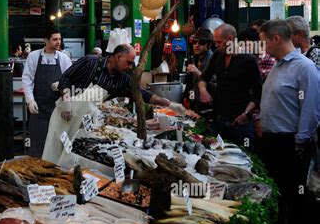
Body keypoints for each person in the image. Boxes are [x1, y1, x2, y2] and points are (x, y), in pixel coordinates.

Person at [259, 19, 319, 224]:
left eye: (264, 42)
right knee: (278, 199)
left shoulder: (304, 67)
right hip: (273, 142)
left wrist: (300, 141)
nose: (262, 49)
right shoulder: (278, 65)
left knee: (296, 202)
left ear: (276, 39)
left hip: (291, 144)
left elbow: (312, 109)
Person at [57, 43, 185, 121]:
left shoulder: (122, 80)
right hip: (65, 113)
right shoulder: (90, 62)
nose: (130, 67)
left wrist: (169, 104)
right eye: (129, 63)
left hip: (87, 121)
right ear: (118, 57)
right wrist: (66, 101)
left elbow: (144, 94)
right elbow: (65, 78)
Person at [199, 24, 262, 149]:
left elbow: (258, 92)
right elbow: (203, 77)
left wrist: (246, 114)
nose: (216, 45)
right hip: (219, 119)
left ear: (230, 38)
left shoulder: (248, 60)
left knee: (245, 157)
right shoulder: (217, 55)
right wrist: (203, 90)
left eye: (219, 42)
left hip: (240, 122)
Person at [22, 27, 72, 157]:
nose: (58, 42)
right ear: (45, 40)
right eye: (55, 39)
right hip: (38, 108)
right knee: (38, 142)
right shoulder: (34, 56)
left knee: (57, 142)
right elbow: (27, 79)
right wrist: (30, 100)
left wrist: (67, 103)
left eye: (59, 39)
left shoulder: (64, 58)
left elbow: (69, 82)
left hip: (57, 107)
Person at [184, 27, 214, 119]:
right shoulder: (194, 59)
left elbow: (216, 85)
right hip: (196, 107)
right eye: (195, 42)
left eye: (201, 43)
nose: (197, 45)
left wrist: (199, 73)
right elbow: (191, 83)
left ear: (208, 45)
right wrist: (187, 97)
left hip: (209, 109)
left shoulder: (213, 60)